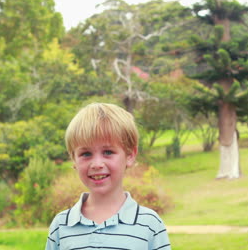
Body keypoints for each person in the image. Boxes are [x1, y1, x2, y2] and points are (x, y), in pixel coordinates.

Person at [45, 102, 171, 250]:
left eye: (108, 152)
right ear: (74, 160)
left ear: (130, 155)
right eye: (86, 154)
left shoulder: (150, 224)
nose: (97, 164)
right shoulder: (61, 226)